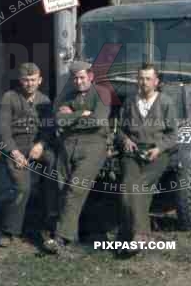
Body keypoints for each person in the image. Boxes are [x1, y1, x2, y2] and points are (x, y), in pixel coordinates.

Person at [46, 60, 112, 255]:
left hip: (93, 145)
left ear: (90, 76)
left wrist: (71, 118)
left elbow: (98, 120)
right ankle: (71, 236)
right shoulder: (67, 95)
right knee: (61, 185)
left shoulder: (102, 92)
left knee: (75, 187)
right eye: (75, 78)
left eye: (82, 77)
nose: (78, 81)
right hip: (68, 146)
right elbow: (58, 119)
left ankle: (61, 237)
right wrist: (81, 114)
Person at [116, 63, 178, 255]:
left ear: (156, 81)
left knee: (140, 186)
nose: (144, 82)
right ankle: (140, 234)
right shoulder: (129, 102)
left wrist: (159, 148)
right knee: (127, 187)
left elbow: (174, 135)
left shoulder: (166, 102)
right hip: (132, 154)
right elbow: (119, 129)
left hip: (157, 154)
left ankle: (136, 235)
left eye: (148, 79)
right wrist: (125, 139)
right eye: (141, 78)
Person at [0, 62, 58, 248]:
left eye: (33, 80)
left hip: (37, 147)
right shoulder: (10, 97)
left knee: (54, 171)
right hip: (15, 147)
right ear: (20, 81)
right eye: (26, 80)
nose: (29, 84)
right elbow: (3, 128)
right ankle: (9, 230)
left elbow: (48, 128)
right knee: (22, 188)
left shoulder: (45, 100)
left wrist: (41, 144)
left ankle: (50, 224)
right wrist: (14, 152)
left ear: (40, 80)